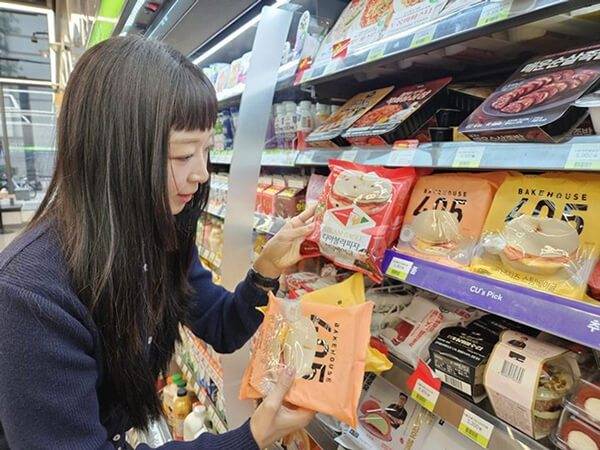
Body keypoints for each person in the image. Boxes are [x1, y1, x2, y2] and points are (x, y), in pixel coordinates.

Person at [0, 36, 315, 450]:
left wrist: (265, 272)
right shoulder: (30, 296)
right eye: (184, 155)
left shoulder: (156, 236)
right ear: (116, 153)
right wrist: (249, 438)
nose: (202, 173)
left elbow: (220, 325)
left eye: (206, 150)